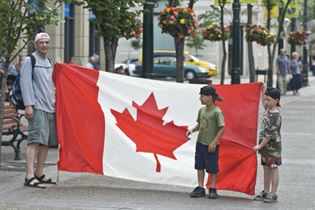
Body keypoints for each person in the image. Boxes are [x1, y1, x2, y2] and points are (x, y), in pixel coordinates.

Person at [20, 32, 57, 188]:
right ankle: (29, 176)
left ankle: (39, 173)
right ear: (35, 45)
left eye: (46, 42)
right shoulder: (30, 60)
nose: (44, 45)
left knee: (45, 143)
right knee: (34, 140)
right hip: (37, 107)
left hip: (50, 107)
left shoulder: (48, 61)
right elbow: (25, 83)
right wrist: (28, 105)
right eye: (41, 42)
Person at [187, 85, 225, 199]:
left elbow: (222, 128)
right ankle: (200, 187)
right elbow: (200, 124)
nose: (200, 98)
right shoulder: (202, 110)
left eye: (202, 96)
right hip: (200, 143)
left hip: (211, 145)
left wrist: (214, 142)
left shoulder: (217, 112)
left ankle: (212, 188)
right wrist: (193, 129)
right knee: (199, 165)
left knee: (212, 167)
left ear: (210, 97)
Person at [253, 86, 282, 203]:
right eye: (265, 99)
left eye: (269, 100)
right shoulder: (268, 109)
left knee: (273, 168)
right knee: (266, 168)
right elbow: (262, 102)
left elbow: (270, 135)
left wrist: (259, 146)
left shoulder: (275, 115)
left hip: (273, 148)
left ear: (276, 101)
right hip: (264, 147)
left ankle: (273, 193)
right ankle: (265, 191)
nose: (266, 102)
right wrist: (263, 89)